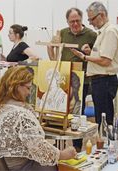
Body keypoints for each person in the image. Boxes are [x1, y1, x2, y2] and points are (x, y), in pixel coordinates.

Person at [0, 66, 77, 171]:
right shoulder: (21, 114)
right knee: (50, 166)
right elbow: (40, 149)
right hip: (13, 167)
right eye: (28, 88)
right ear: (16, 86)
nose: (29, 93)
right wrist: (62, 154)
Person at [47, 8, 97, 152]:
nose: (75, 24)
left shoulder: (91, 35)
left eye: (77, 21)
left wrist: (90, 52)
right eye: (71, 21)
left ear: (82, 20)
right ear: (67, 22)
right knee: (60, 110)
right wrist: (53, 61)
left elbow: (99, 54)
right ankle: (59, 142)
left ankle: (76, 145)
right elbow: (51, 46)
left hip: (82, 81)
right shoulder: (62, 32)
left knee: (77, 113)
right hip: (64, 78)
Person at [71, 1, 118, 127]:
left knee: (104, 120)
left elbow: (105, 61)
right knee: (101, 118)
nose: (90, 23)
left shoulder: (109, 31)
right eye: (89, 20)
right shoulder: (102, 32)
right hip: (100, 80)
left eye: (92, 19)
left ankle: (107, 145)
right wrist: (91, 53)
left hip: (104, 80)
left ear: (102, 15)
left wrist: (85, 57)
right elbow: (102, 55)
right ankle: (104, 144)